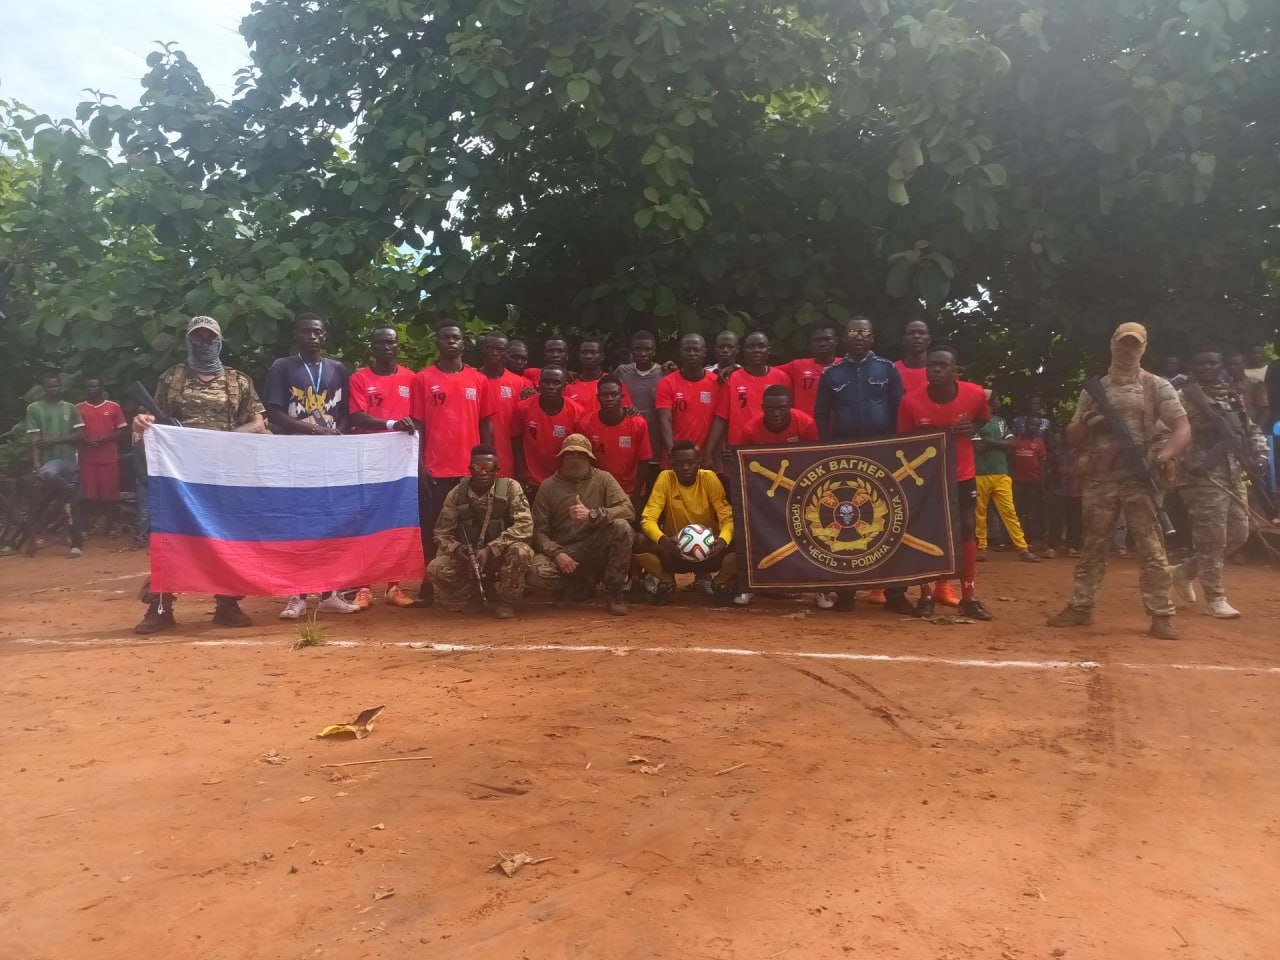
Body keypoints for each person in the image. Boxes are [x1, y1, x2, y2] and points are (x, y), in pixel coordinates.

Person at [1047, 322, 1190, 640]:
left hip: (1141, 476)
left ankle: (1161, 614)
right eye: (1123, 343)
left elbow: (1181, 427)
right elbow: (1072, 436)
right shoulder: (1094, 389)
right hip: (1100, 477)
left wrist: (1164, 457)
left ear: (1144, 348)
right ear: (1112, 344)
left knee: (1152, 548)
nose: (1128, 349)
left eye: (1135, 344)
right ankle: (1081, 607)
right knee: (1092, 547)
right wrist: (1089, 419)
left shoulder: (1156, 386)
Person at [132, 316, 266, 633]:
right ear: (188, 341)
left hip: (224, 474)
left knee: (225, 537)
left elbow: (258, 424)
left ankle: (227, 604)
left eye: (210, 338)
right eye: (197, 338)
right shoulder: (172, 378)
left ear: (220, 342)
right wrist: (143, 422)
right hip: (180, 477)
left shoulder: (238, 381)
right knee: (171, 537)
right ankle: (160, 607)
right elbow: (153, 418)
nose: (204, 344)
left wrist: (226, 437)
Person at [264, 313, 361, 618]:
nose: (312, 336)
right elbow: (275, 413)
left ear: (325, 336)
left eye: (317, 332)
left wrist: (339, 434)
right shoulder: (283, 366)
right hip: (294, 454)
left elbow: (347, 412)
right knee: (297, 524)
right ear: (296, 334)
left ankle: (330, 592)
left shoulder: (338, 369)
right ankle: (296, 595)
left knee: (331, 522)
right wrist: (317, 430)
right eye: (306, 331)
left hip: (329, 457)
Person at [814, 315, 913, 611]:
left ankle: (895, 593)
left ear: (872, 338)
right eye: (853, 331)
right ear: (845, 337)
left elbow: (900, 408)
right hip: (844, 455)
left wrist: (896, 447)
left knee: (891, 521)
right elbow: (821, 414)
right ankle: (846, 593)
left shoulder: (887, 368)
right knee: (846, 520)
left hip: (883, 453)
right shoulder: (832, 373)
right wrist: (823, 449)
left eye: (865, 332)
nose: (859, 336)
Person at [897, 344, 995, 621]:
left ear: (955, 371)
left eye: (943, 365)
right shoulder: (911, 402)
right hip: (928, 478)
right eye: (932, 365)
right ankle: (926, 594)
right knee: (927, 531)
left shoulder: (974, 394)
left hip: (963, 473)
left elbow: (983, 419)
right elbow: (903, 440)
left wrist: (972, 429)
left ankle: (969, 595)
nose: (936, 370)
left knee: (967, 529)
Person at [1170, 347, 1269, 619]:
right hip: (1201, 477)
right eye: (1202, 362)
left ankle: (1185, 572)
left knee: (1239, 533)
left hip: (1233, 473)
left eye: (1213, 362)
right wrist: (1188, 462)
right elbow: (1170, 434)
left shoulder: (1232, 395)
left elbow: (1249, 429)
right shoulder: (1180, 398)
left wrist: (1260, 456)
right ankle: (1215, 598)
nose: (1208, 367)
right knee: (1211, 539)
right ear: (1193, 365)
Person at [409, 320, 495, 607]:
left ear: (464, 342)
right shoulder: (422, 379)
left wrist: (489, 464)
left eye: (456, 338)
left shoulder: (478, 380)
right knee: (433, 528)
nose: (451, 342)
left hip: (471, 470)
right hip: (436, 469)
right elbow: (417, 424)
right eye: (446, 338)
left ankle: (478, 582)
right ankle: (428, 583)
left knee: (474, 529)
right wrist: (419, 464)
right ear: (437, 342)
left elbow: (486, 424)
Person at [346, 326, 418, 609]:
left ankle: (394, 585)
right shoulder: (360, 378)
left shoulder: (411, 378)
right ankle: (364, 587)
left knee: (397, 520)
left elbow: (418, 418)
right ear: (372, 347)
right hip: (368, 458)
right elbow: (356, 416)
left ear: (398, 346)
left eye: (391, 342)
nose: (386, 347)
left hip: (400, 461)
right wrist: (391, 424)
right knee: (368, 520)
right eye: (380, 343)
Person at [528, 434, 636, 615]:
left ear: (590, 458)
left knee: (622, 527)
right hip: (566, 549)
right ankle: (573, 584)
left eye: (581, 455)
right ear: (562, 458)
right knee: (534, 572)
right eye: (570, 455)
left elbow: (628, 510)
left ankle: (615, 592)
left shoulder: (603, 479)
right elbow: (538, 530)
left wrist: (594, 515)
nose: (575, 459)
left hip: (596, 545)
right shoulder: (548, 486)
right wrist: (557, 553)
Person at [427, 444, 535, 620]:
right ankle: (473, 594)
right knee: (436, 568)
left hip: (501, 552)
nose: (483, 472)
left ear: (496, 469)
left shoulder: (510, 488)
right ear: (470, 469)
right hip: (470, 556)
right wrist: (457, 549)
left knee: (521, 551)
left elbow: (525, 525)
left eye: (488, 467)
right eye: (478, 467)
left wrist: (491, 548)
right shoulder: (456, 494)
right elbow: (441, 532)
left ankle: (506, 601)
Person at [634, 440, 736, 605]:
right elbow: (648, 519)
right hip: (675, 552)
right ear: (672, 464)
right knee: (638, 540)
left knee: (742, 540)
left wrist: (722, 541)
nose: (686, 468)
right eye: (680, 464)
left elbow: (727, 516)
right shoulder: (665, 478)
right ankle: (666, 581)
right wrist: (665, 541)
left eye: (690, 462)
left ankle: (720, 583)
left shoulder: (709, 478)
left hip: (710, 552)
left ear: (699, 462)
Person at [703, 331, 791, 470]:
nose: (756, 350)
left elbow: (790, 416)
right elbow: (720, 417)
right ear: (743, 351)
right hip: (740, 450)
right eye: (751, 347)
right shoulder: (732, 378)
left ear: (768, 350)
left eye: (760, 346)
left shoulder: (782, 378)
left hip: (773, 450)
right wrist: (707, 454)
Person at [24, 372, 86, 558]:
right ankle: (34, 538)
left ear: (61, 387)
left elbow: (80, 435)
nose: (54, 389)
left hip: (68, 462)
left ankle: (75, 544)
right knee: (42, 503)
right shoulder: (34, 408)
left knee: (70, 504)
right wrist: (36, 463)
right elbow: (35, 438)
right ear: (44, 388)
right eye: (50, 386)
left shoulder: (70, 408)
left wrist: (54, 441)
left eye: (57, 386)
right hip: (47, 465)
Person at [973, 395, 1040, 564]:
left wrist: (989, 441)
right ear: (988, 403)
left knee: (1009, 512)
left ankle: (1022, 548)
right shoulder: (976, 422)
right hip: (980, 472)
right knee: (980, 513)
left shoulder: (1001, 421)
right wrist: (1000, 443)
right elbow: (978, 447)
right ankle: (981, 548)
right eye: (997, 400)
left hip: (1001, 473)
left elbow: (1012, 444)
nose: (1000, 403)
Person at [576, 374, 653, 511]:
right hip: (599, 490)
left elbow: (644, 460)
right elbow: (584, 462)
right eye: (604, 395)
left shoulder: (638, 423)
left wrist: (636, 495)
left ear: (622, 396)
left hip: (630, 491)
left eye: (614, 394)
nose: (610, 399)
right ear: (597, 397)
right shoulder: (585, 424)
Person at [511, 365, 584, 498]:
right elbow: (516, 438)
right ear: (539, 384)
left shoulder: (577, 412)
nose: (551, 386)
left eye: (556, 382)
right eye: (546, 381)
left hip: (563, 479)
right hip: (531, 479)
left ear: (564, 386)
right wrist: (520, 471)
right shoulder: (523, 407)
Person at [76, 378, 128, 536]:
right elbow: (75, 431)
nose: (92, 389)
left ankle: (111, 526)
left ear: (101, 387)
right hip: (87, 458)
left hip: (108, 457)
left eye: (95, 386)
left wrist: (104, 439)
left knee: (110, 494)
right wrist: (86, 441)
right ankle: (84, 528)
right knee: (87, 495)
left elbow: (121, 430)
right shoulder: (78, 408)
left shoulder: (113, 407)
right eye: (89, 386)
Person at [656, 334, 720, 458]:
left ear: (704, 352)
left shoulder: (717, 383)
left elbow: (720, 421)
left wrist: (709, 454)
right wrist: (672, 454)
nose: (692, 353)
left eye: (696, 349)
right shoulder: (667, 382)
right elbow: (665, 421)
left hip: (707, 458)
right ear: (680, 353)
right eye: (687, 350)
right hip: (677, 458)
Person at [479, 331, 529, 478]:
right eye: (490, 348)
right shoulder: (472, 379)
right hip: (476, 458)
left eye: (500, 349)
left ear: (506, 353)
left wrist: (521, 466)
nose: (495, 353)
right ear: (483, 349)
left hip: (508, 459)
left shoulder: (519, 383)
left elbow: (521, 429)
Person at [613, 330, 664, 448]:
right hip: (627, 436)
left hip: (656, 438)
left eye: (647, 349)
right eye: (638, 349)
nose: (643, 354)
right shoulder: (622, 372)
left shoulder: (664, 373)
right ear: (631, 352)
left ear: (654, 352)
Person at [778, 324, 839, 417]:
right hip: (805, 427)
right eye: (817, 340)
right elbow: (766, 375)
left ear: (836, 341)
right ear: (810, 343)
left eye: (827, 339)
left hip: (839, 428)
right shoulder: (796, 366)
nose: (822, 344)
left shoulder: (847, 366)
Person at [564, 338, 630, 420]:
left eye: (593, 352)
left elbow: (627, 412)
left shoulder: (614, 384)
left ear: (602, 356)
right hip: (577, 432)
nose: (588, 356)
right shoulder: (569, 385)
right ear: (579, 356)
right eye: (584, 352)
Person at [1011, 416, 1049, 554]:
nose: (1035, 428)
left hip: (1033, 482)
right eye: (1032, 425)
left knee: (1031, 511)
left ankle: (1029, 539)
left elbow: (1043, 464)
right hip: (1018, 481)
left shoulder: (1039, 442)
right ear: (1026, 425)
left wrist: (1042, 484)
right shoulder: (1016, 441)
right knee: (1016, 511)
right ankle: (1015, 540)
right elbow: (1011, 460)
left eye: (1037, 426)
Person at [1045, 429, 1083, 558]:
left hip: (1076, 491)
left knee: (1075, 520)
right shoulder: (1056, 453)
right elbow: (1049, 472)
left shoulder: (1080, 453)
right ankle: (1052, 547)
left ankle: (1073, 547)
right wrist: (1049, 488)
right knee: (1056, 519)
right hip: (1058, 490)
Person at [741, 385, 818, 444]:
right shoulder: (750, 430)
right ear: (763, 408)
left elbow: (814, 454)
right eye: (770, 408)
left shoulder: (807, 424)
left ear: (790, 407)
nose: (776, 413)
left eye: (782, 408)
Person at [896, 318, 931, 395]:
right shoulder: (892, 370)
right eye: (911, 333)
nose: (916, 336)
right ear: (903, 340)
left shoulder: (942, 371)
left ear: (929, 339)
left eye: (922, 333)